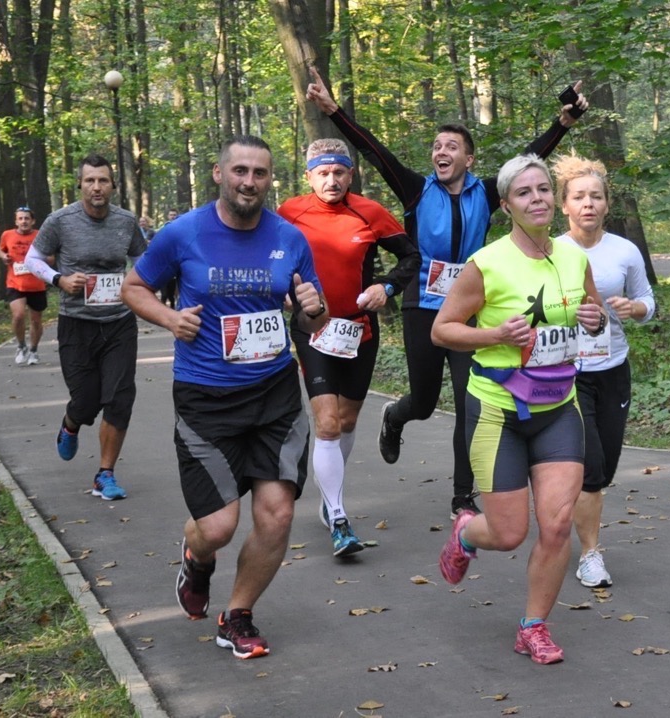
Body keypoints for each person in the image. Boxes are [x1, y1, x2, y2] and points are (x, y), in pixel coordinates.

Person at [307, 67, 588, 519]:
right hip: (422, 307)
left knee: (466, 402)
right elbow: (374, 151)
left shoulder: (486, 193)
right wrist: (333, 110)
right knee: (423, 401)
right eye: (437, 146)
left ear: (469, 159)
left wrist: (563, 123)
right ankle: (396, 416)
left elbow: (526, 161)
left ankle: (462, 496)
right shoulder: (417, 190)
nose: (441, 151)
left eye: (451, 146)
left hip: (468, 310)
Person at [121, 135, 329, 660]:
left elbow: (313, 318)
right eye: (240, 171)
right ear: (219, 173)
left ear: (270, 179)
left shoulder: (289, 237)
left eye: (260, 173)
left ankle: (237, 615)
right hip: (206, 398)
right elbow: (134, 287)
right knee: (217, 527)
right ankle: (197, 558)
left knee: (277, 515)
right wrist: (171, 318)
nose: (249, 182)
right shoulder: (183, 233)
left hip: (275, 395)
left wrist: (313, 308)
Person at [430, 155, 606, 664]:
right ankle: (466, 531)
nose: (537, 199)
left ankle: (533, 626)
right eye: (524, 192)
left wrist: (594, 320)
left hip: (559, 408)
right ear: (506, 205)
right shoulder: (486, 264)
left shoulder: (573, 259)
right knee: (508, 533)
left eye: (543, 189)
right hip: (497, 410)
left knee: (557, 525)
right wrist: (494, 335)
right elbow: (443, 330)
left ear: (555, 197)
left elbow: (591, 314)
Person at [278, 139, 420, 557]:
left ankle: (331, 492)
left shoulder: (369, 212)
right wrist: (281, 289)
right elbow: (267, 255)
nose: (332, 180)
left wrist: (387, 286)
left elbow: (411, 257)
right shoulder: (289, 212)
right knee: (326, 423)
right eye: (323, 173)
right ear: (308, 176)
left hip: (359, 330)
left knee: (346, 420)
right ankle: (338, 516)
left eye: (339, 172)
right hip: (312, 327)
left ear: (351, 174)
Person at [552, 153, 655, 588]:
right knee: (590, 468)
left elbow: (648, 301)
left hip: (613, 369)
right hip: (567, 374)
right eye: (579, 197)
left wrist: (635, 309)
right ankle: (590, 555)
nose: (588, 204)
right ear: (564, 205)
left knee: (605, 468)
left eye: (596, 196)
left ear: (607, 204)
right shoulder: (551, 252)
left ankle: (569, 505)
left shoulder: (624, 251)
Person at [25, 154, 147, 501]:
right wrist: (59, 279)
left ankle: (104, 474)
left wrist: (136, 281)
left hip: (119, 323)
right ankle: (71, 423)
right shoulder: (60, 221)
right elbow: (32, 259)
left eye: (103, 180)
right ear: (80, 184)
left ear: (112, 185)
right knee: (86, 401)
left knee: (120, 399)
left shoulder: (126, 221)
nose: (97, 187)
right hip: (76, 324)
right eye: (90, 180)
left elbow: (142, 259)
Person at [0, 207, 46, 366]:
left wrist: (42, 261)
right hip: (15, 283)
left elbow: (50, 256)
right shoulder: (7, 235)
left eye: (27, 218)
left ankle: (33, 350)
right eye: (20, 218)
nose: (24, 221)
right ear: (16, 221)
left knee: (36, 321)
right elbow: (0, 250)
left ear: (33, 221)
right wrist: (4, 256)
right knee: (18, 315)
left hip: (36, 284)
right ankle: (21, 345)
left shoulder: (40, 235)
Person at [159, 208, 180, 308]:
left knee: (174, 293)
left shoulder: (182, 227)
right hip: (166, 262)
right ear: (168, 216)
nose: (173, 217)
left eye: (174, 215)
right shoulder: (164, 228)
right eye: (171, 215)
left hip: (178, 262)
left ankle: (174, 307)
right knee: (165, 293)